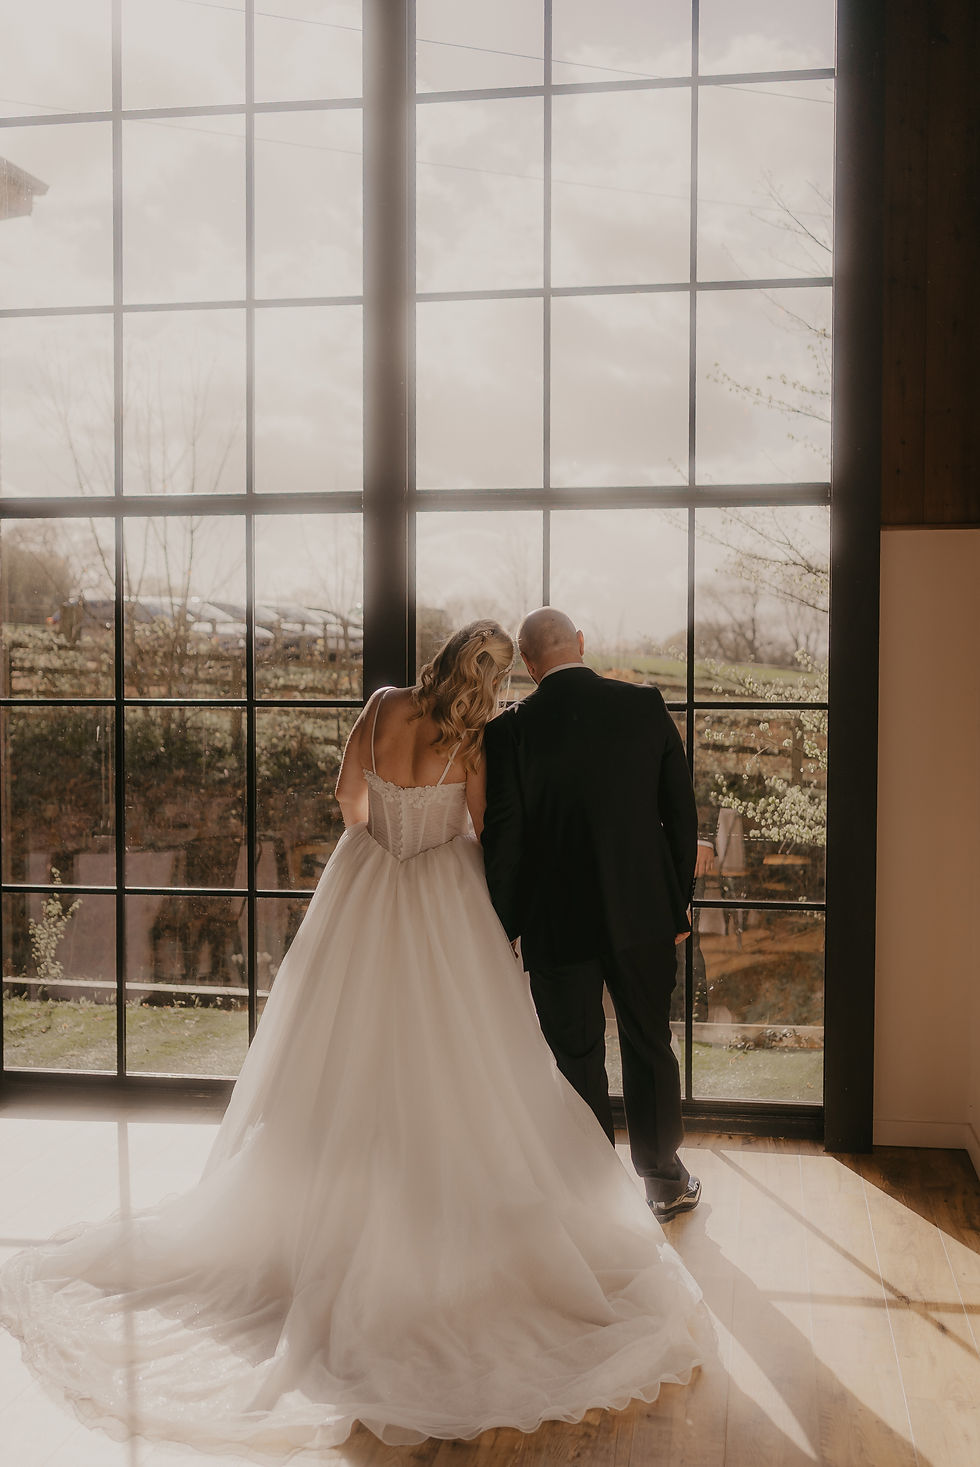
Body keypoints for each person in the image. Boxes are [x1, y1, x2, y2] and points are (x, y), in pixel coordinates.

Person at [0, 619, 701, 1459]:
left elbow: (348, 798)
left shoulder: (382, 705)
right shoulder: (476, 737)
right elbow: (483, 828)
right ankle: (601, 1180)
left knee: (337, 1049)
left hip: (365, 882)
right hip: (446, 893)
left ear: (439, 657)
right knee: (465, 1061)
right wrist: (449, 852)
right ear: (496, 674)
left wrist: (383, 838)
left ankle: (336, 1196)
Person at [481, 608, 701, 1222]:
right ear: (580, 643)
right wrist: (675, 899)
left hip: (556, 922)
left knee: (575, 1054)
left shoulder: (509, 733)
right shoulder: (643, 705)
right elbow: (679, 815)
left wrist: (506, 925)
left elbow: (505, 841)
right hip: (643, 915)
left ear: (527, 664)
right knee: (649, 1043)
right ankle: (664, 1181)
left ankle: (593, 1194)